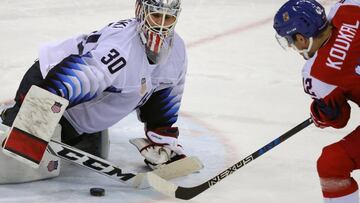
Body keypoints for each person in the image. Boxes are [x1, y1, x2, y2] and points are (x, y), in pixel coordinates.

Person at [1, 0, 187, 177]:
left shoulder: (177, 52)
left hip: (81, 119)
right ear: (141, 11)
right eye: (156, 15)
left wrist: (161, 138)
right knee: (15, 162)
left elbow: (165, 96)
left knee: (93, 149)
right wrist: (33, 118)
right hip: (46, 86)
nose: (161, 25)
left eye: (168, 18)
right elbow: (77, 79)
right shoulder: (121, 48)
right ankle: (9, 120)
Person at [273, 0, 360, 202]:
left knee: (332, 163)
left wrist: (320, 114)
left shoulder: (317, 74)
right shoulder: (348, 8)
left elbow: (339, 119)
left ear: (301, 38)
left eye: (290, 41)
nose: (293, 46)